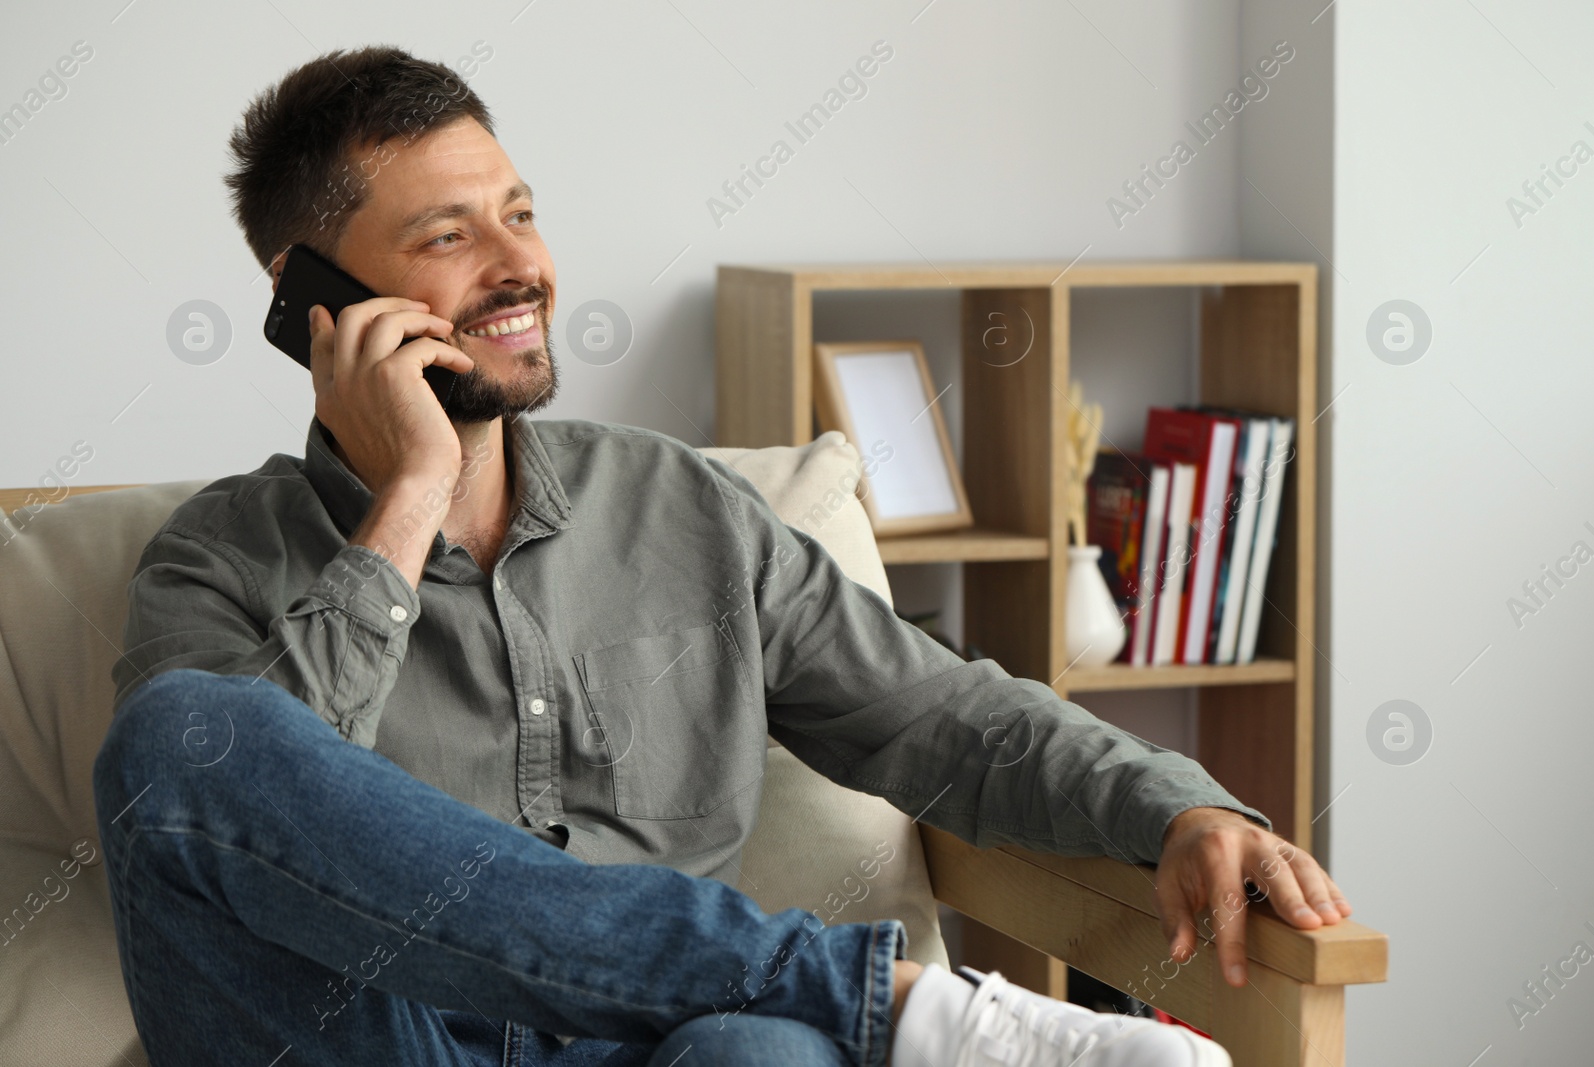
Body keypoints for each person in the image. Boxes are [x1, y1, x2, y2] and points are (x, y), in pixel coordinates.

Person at [95, 45, 1351, 1067]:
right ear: (313, 299)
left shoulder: (680, 506)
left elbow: (948, 719)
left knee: (765, 1056)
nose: (521, 264)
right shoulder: (212, 561)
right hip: (377, 1042)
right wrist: (412, 491)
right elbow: (225, 819)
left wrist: (1174, 801)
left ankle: (870, 1010)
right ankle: (892, 1004)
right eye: (447, 237)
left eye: (520, 213)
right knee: (176, 741)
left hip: (670, 1049)